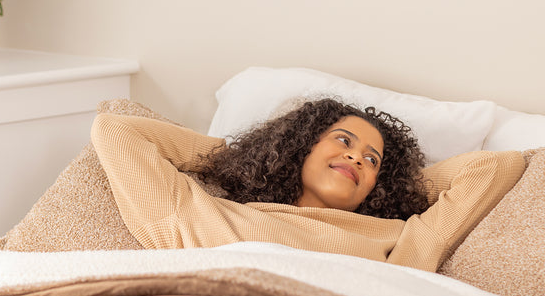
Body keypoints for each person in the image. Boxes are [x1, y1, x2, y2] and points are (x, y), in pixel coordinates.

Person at [90, 98, 525, 272]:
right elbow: (114, 131)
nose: (357, 156)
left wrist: (401, 191)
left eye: (372, 160)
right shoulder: (199, 215)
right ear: (299, 148)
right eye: (343, 141)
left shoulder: (394, 240)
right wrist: (245, 156)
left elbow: (496, 167)